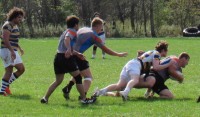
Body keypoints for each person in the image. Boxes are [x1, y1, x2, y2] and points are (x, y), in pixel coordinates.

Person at [62, 17, 127, 100]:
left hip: (70, 52)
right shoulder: (94, 36)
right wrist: (118, 54)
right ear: (97, 26)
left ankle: (68, 88)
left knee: (81, 73)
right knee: (88, 77)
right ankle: (83, 96)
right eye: (101, 26)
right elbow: (105, 49)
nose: (102, 29)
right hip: (76, 55)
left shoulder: (83, 29)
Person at [40, 15, 96, 104]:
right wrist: (69, 49)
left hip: (58, 57)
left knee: (58, 81)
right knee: (78, 77)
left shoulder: (65, 31)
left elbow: (66, 44)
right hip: (66, 59)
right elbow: (67, 39)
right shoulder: (72, 31)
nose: (79, 27)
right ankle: (84, 99)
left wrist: (77, 54)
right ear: (75, 25)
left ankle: (45, 98)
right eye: (78, 25)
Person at [93, 40, 172, 101]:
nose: (167, 52)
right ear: (163, 50)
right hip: (136, 65)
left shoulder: (152, 52)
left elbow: (151, 67)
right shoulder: (157, 54)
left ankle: (99, 92)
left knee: (119, 86)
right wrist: (168, 64)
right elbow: (156, 67)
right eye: (167, 50)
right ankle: (126, 92)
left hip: (131, 63)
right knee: (135, 80)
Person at [98, 52, 190, 99]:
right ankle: (124, 87)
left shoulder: (178, 67)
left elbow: (166, 76)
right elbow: (170, 71)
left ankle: (150, 97)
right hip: (152, 74)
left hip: (158, 80)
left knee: (170, 97)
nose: (187, 64)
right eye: (187, 61)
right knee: (150, 82)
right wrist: (181, 78)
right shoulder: (173, 60)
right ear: (183, 58)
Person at [0, 7, 25, 96]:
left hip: (11, 50)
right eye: (19, 17)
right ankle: (2, 90)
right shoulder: (7, 25)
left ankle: (4, 86)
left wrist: (19, 48)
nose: (21, 19)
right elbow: (6, 40)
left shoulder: (14, 25)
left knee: (21, 69)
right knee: (10, 70)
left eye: (21, 17)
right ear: (14, 17)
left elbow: (12, 39)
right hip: (7, 50)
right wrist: (12, 51)